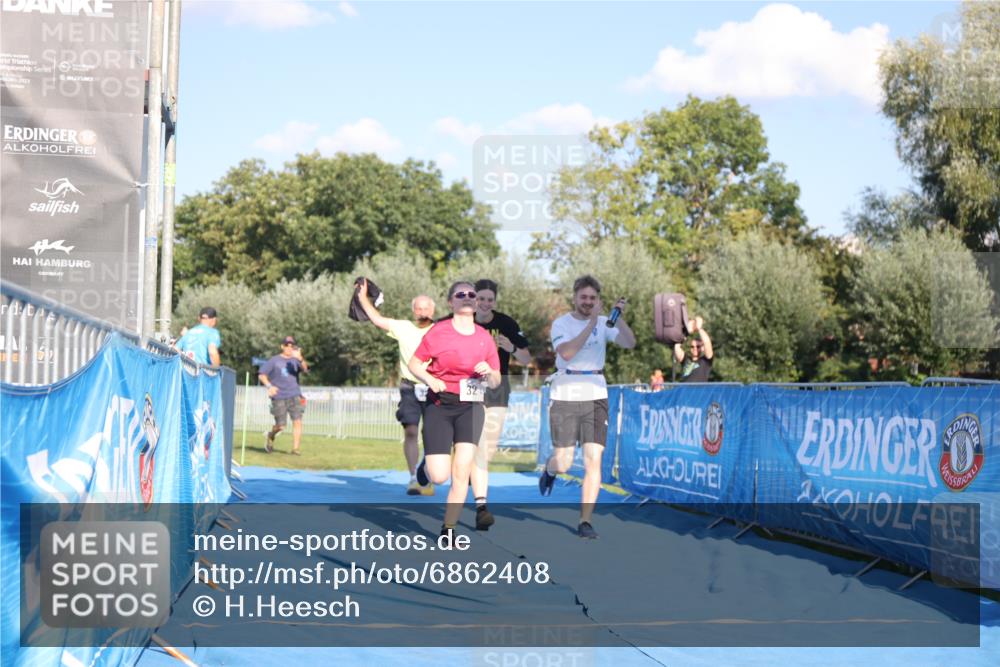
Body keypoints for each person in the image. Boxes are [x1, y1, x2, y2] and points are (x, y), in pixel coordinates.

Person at [539, 275, 635, 539]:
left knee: (594, 459)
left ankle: (585, 520)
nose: (588, 302)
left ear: (598, 300)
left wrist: (618, 316)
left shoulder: (605, 322)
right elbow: (567, 353)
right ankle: (550, 469)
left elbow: (630, 343)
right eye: (584, 297)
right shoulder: (562, 323)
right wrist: (592, 323)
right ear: (575, 297)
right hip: (566, 390)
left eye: (593, 298)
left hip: (595, 392)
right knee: (565, 461)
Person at [407, 281, 501, 541]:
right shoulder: (438, 332)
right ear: (451, 302)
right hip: (440, 405)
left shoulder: (484, 337)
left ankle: (448, 529)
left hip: (471, 407)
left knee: (462, 469)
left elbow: (496, 381)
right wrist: (429, 378)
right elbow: (414, 364)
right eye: (461, 295)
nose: (468, 298)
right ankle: (427, 466)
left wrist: (489, 371)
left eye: (472, 295)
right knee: (439, 476)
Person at [356, 278, 437, 496]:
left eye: (426, 308)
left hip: (434, 388)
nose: (422, 311)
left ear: (433, 310)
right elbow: (376, 319)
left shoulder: (441, 330)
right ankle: (413, 478)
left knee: (432, 435)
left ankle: (426, 476)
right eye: (418, 308)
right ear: (413, 311)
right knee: (410, 430)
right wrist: (363, 298)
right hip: (410, 386)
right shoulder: (403, 327)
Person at [468, 278, 531, 530]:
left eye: (489, 299)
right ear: (473, 298)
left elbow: (527, 359)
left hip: (497, 386)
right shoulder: (462, 320)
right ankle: (480, 503)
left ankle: (478, 490)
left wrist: (512, 347)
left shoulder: (506, 323)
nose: (484, 303)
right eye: (480, 298)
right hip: (470, 385)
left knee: (488, 448)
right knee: (469, 443)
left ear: (495, 301)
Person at [259, 336, 310, 455]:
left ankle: (295, 449)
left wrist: (300, 358)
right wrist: (269, 386)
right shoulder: (274, 360)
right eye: (287, 345)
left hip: (294, 394)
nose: (289, 348)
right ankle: (271, 435)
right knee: (281, 426)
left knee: (297, 421)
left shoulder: (296, 360)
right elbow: (262, 375)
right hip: (279, 396)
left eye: (292, 346)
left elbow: (306, 370)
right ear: (282, 346)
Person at [674, 316, 713, 383]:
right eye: (692, 346)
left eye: (698, 346)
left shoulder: (706, 360)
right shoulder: (685, 359)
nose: (695, 348)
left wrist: (699, 328)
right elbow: (676, 346)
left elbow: (707, 342)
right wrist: (686, 332)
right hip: (684, 391)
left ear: (702, 348)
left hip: (698, 392)